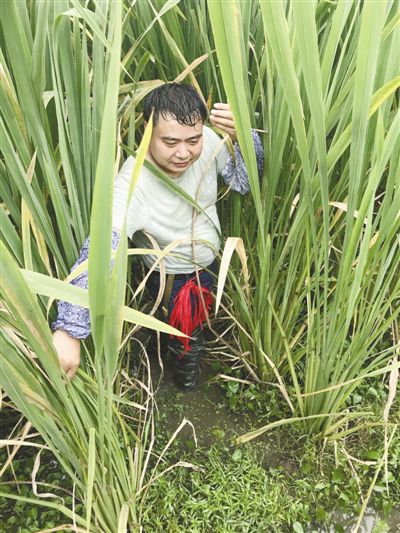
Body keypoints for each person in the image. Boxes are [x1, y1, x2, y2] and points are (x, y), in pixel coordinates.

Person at [52, 83, 263, 389]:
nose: (184, 153)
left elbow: (243, 182)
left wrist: (245, 138)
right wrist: (70, 329)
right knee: (186, 342)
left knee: (191, 327)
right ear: (147, 131)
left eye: (192, 140)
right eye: (170, 141)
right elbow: (99, 251)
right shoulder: (133, 183)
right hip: (171, 281)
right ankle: (185, 383)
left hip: (211, 265)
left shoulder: (206, 139)